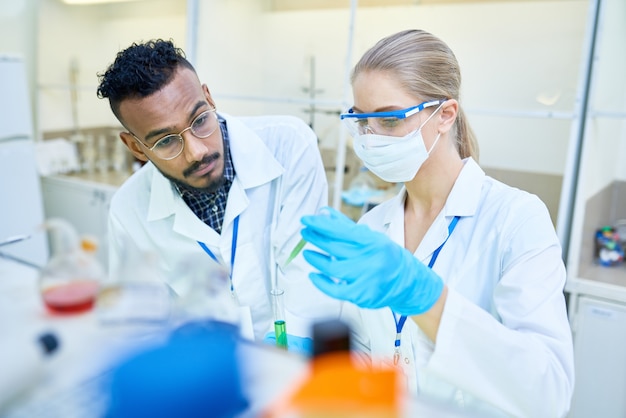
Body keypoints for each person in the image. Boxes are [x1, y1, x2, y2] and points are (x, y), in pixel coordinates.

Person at [299, 29, 574, 417]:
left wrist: (430, 300)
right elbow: (367, 357)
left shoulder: (515, 218)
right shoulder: (374, 225)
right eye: (361, 121)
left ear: (445, 115)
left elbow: (549, 394)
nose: (370, 138)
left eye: (389, 120)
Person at [96, 39, 340, 349]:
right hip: (208, 367)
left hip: (295, 352)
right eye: (167, 142)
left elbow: (306, 263)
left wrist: (298, 342)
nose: (197, 152)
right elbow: (141, 317)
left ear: (209, 98)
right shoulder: (127, 208)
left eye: (199, 121)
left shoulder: (288, 144)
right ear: (135, 147)